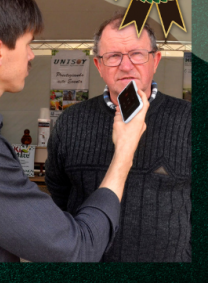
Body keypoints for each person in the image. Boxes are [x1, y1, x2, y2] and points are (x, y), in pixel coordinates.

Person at [0, 0, 149, 262]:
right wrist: (124, 153)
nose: (32, 56)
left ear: (155, 59)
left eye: (137, 55)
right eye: (29, 44)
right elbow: (74, 246)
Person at [45, 14, 191, 262]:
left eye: (137, 54)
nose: (125, 65)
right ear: (99, 65)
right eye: (113, 56)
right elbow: (59, 193)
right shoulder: (70, 122)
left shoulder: (190, 120)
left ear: (155, 60)